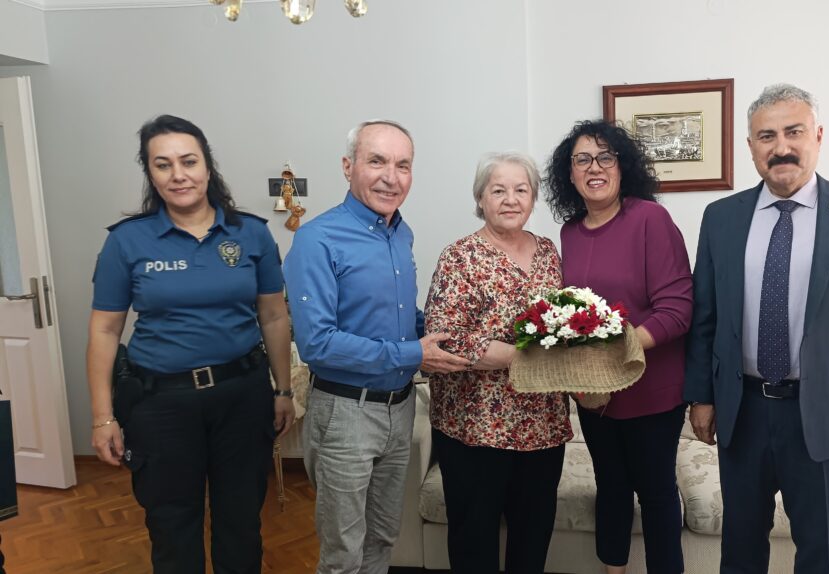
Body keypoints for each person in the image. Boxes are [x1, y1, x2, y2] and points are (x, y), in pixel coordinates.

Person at [684, 84, 829, 574]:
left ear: (818, 136)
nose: (781, 147)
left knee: (821, 552)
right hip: (742, 410)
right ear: (751, 147)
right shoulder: (721, 217)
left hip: (827, 413)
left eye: (794, 132)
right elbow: (705, 316)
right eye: (767, 136)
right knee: (740, 549)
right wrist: (701, 396)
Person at [87, 114, 295, 573]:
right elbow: (104, 331)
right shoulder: (127, 241)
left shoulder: (251, 233)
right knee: (172, 528)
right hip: (161, 404)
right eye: (163, 165)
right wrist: (103, 417)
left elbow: (274, 315)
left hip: (242, 398)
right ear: (150, 172)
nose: (178, 175)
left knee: (241, 523)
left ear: (207, 165)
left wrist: (282, 390)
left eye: (188, 161)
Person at [283, 120, 471, 574]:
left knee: (383, 537)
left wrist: (447, 332)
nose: (391, 177)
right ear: (348, 166)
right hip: (345, 412)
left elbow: (401, 318)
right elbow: (317, 343)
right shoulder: (316, 238)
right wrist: (414, 354)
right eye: (377, 161)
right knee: (343, 553)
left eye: (403, 165)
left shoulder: (400, 233)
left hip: (399, 407)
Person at [545, 120, 693, 574]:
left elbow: (678, 308)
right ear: (569, 174)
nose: (595, 167)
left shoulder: (650, 219)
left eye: (605, 157)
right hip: (595, 395)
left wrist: (617, 351)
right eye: (582, 160)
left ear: (622, 166)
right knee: (609, 486)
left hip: (652, 392)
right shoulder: (570, 232)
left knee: (656, 493)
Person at [424, 152, 572, 573]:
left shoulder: (548, 252)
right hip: (475, 428)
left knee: (532, 540)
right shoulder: (460, 257)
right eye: (498, 190)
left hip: (542, 425)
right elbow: (446, 338)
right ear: (481, 198)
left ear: (533, 197)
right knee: (474, 544)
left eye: (521, 190)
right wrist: (526, 357)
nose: (511, 199)